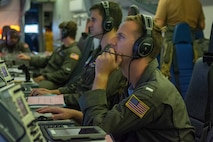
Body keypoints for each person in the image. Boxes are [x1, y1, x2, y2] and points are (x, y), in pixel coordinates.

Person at [37, 14, 195, 141]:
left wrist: (101, 75)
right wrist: (76, 115)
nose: (111, 41)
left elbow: (97, 131)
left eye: (120, 37)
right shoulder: (133, 83)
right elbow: (114, 119)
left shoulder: (150, 94)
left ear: (142, 48)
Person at [18, 20, 81, 90]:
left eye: (60, 32)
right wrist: (30, 58)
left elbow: (63, 74)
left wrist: (44, 77)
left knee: (28, 89)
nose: (59, 34)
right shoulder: (61, 48)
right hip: (45, 75)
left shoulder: (73, 52)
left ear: (64, 33)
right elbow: (47, 60)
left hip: (54, 81)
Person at [154, 0, 205, 79]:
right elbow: (202, 25)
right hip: (193, 47)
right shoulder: (196, 2)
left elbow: (158, 24)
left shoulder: (165, 1)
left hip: (170, 47)